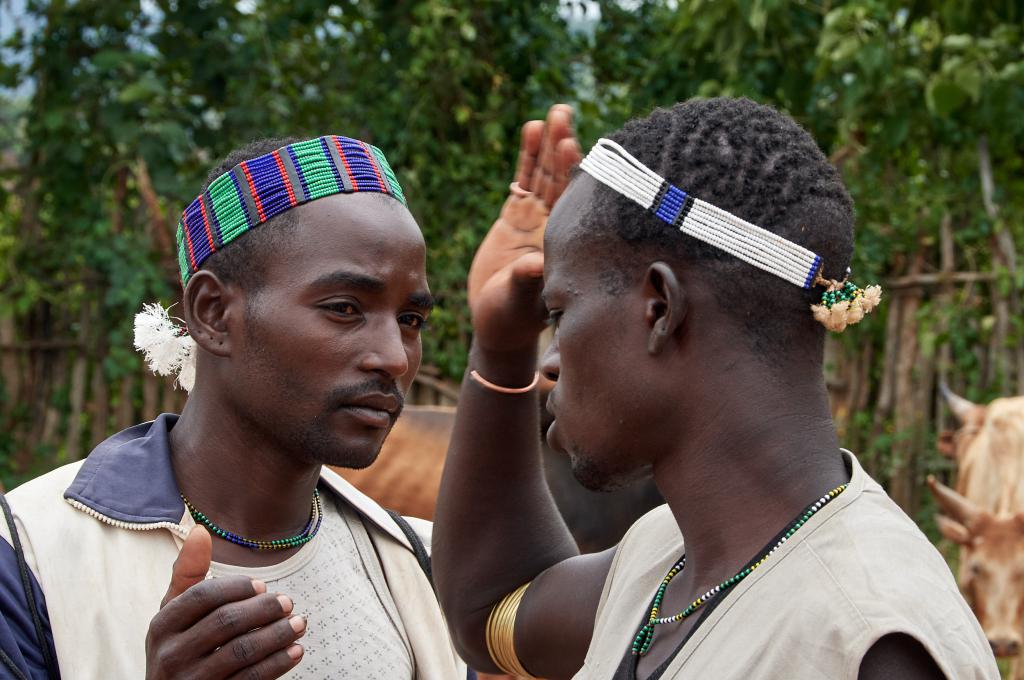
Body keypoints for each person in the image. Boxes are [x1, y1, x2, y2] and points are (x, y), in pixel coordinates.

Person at [433, 98, 1000, 680]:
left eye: (557, 315)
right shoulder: (665, 561)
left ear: (660, 308)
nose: (549, 362)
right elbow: (489, 610)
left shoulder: (864, 639)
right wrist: (500, 344)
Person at [0, 134, 467, 678]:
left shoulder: (420, 565)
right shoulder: (28, 557)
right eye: (344, 308)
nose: (394, 357)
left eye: (410, 321)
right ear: (213, 313)